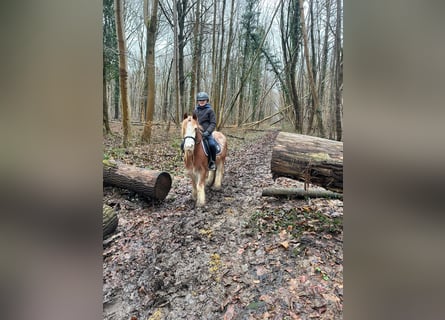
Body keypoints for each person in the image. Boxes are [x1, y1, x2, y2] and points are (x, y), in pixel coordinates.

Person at [195, 92, 217, 170]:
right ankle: (187, 160)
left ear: (206, 100)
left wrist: (208, 132)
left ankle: (212, 162)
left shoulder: (210, 110)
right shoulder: (195, 111)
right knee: (184, 143)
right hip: (196, 133)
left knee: (212, 145)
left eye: (203, 100)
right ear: (197, 101)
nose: (201, 101)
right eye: (200, 100)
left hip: (207, 133)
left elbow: (213, 123)